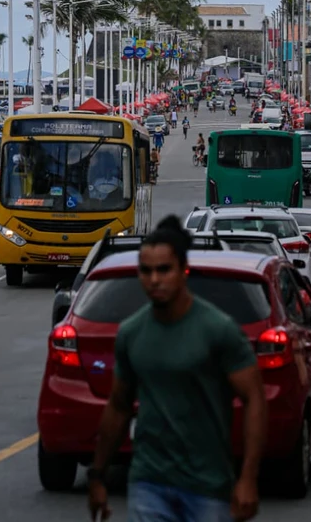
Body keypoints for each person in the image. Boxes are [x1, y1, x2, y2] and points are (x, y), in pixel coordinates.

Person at [88, 216, 266, 522]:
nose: (154, 279)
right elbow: (118, 406)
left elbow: (254, 399)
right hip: (148, 482)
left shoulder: (217, 330)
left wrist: (248, 478)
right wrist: (97, 475)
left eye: (164, 270)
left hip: (207, 487)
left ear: (183, 270)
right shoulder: (132, 333)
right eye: (146, 271)